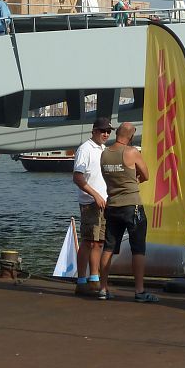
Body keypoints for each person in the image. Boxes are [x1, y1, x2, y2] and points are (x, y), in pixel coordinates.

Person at [99, 122, 158, 303]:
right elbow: (146, 175)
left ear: (117, 134)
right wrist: (132, 182)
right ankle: (139, 291)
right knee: (138, 249)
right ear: (131, 136)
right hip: (132, 206)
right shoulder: (131, 152)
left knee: (109, 247)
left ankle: (102, 288)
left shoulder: (105, 154)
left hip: (113, 205)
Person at [72, 118, 112, 298]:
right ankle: (81, 280)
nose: (106, 134)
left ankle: (94, 278)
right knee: (89, 241)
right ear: (94, 131)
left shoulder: (104, 150)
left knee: (99, 242)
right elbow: (78, 177)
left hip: (104, 202)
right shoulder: (85, 149)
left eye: (108, 131)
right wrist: (95, 194)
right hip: (90, 202)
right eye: (102, 131)